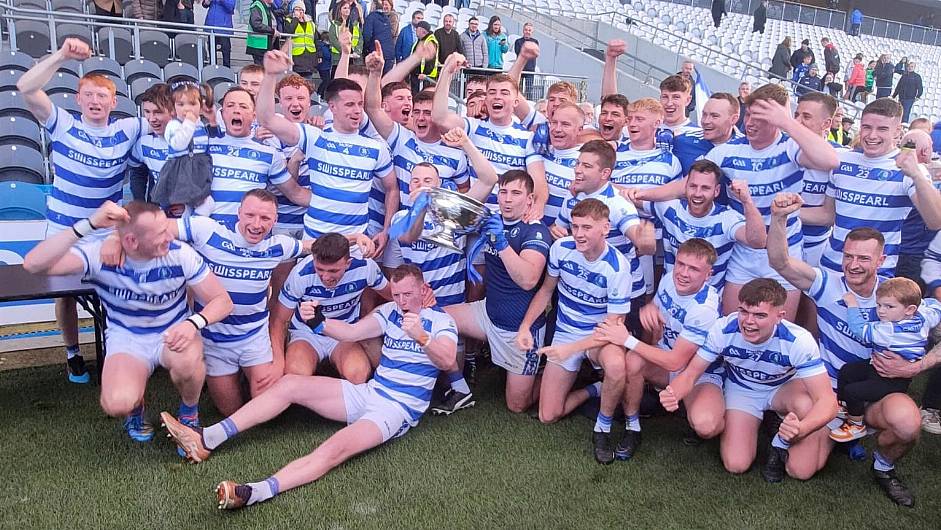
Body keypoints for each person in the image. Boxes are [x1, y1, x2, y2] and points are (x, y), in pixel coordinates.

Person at [162, 264, 458, 510]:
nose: (402, 300)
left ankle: (256, 491)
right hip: (371, 392)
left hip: (397, 410)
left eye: (408, 293)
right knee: (290, 383)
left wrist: (422, 337)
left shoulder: (441, 321)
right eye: (396, 294)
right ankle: (206, 439)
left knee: (334, 449)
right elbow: (352, 331)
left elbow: (445, 360)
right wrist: (318, 321)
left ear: (422, 289)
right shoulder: (390, 312)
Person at [768, 196, 937, 507]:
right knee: (799, 469)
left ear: (882, 260)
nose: (853, 265)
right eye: (848, 257)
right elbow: (781, 262)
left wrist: (918, 365)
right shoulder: (828, 285)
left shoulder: (898, 294)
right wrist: (778, 219)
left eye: (863, 258)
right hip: (831, 395)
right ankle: (840, 432)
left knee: (908, 423)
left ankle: (883, 467)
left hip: (879, 394)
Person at [23, 201, 233, 442]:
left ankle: (189, 414)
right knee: (116, 403)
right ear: (132, 241)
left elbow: (222, 301)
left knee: (189, 362)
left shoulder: (180, 253)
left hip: (173, 331)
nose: (170, 236)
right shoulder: (99, 253)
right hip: (127, 337)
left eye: (168, 228)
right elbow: (33, 265)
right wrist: (89, 225)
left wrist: (193, 323)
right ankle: (135, 406)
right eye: (161, 233)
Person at [17, 39, 148, 384]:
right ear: (78, 99)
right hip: (63, 228)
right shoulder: (63, 123)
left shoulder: (128, 129)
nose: (95, 101)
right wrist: (60, 55)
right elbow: (25, 87)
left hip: (107, 231)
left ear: (113, 102)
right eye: (88, 95)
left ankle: (120, 352)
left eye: (102, 96)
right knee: (66, 295)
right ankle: (73, 353)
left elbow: (166, 121)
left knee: (113, 290)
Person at [660, 278, 837, 483]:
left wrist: (802, 429)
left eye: (760, 315)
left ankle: (828, 433)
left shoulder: (799, 340)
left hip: (783, 389)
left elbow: (828, 401)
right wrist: (674, 393)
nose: (748, 321)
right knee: (736, 464)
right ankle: (773, 423)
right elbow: (691, 374)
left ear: (780, 316)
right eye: (744, 312)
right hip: (742, 389)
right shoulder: (724, 328)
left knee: (800, 470)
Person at [704, 83, 838, 320]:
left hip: (786, 253)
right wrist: (639, 194)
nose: (750, 123)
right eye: (749, 116)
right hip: (743, 253)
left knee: (779, 327)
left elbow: (829, 161)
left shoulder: (788, 146)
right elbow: (692, 181)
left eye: (761, 118)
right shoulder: (728, 150)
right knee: (732, 325)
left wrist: (787, 122)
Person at [516, 198, 631, 464]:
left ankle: (602, 428)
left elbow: (613, 328)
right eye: (575, 226)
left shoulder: (618, 266)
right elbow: (546, 290)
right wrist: (525, 327)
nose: (578, 234)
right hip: (566, 331)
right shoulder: (560, 248)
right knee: (548, 415)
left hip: (600, 336)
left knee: (616, 365)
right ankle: (597, 389)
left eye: (587, 227)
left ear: (605, 228)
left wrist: (570, 349)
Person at [391, 130, 496, 415]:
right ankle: (448, 386)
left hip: (449, 301)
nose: (421, 185)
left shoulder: (455, 212)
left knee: (449, 358)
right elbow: (409, 237)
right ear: (407, 187)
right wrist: (421, 207)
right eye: (415, 181)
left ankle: (459, 385)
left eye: (428, 181)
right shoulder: (401, 216)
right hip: (414, 303)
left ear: (441, 186)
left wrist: (466, 143)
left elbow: (489, 179)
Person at [257, 50, 398, 254]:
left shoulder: (376, 148)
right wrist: (270, 75)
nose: (357, 110)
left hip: (356, 245)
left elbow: (392, 189)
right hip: (315, 240)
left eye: (359, 104)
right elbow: (267, 119)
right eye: (349, 104)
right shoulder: (315, 138)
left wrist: (386, 230)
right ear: (332, 107)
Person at [596, 239, 725, 457]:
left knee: (705, 426)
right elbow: (654, 317)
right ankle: (632, 427)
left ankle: (728, 415)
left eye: (693, 269)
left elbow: (676, 361)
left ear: (708, 274)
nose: (683, 273)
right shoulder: (668, 279)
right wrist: (649, 310)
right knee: (633, 361)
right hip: (668, 357)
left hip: (700, 374)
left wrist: (627, 339)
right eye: (681, 264)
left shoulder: (704, 308)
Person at [444, 171, 551, 414]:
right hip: (487, 316)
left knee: (517, 406)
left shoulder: (535, 231)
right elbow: (452, 217)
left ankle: (555, 374)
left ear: (530, 199)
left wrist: (501, 243)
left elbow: (528, 280)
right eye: (503, 192)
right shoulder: (492, 219)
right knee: (436, 318)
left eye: (516, 193)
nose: (507, 199)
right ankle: (458, 384)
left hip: (520, 328)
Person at [802, 99, 941, 277]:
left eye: (882, 129)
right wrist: (778, 212)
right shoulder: (842, 161)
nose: (872, 135)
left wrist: (916, 174)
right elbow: (828, 215)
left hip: (875, 277)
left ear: (897, 131)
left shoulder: (908, 168)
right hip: (830, 269)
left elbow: (935, 221)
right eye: (866, 127)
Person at [433, 53, 548, 220]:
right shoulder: (474, 126)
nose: (497, 96)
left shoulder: (527, 138)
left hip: (509, 220)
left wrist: (538, 206)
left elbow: (538, 181)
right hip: (474, 217)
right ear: (485, 99)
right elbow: (439, 118)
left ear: (516, 102)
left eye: (504, 93)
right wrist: (447, 72)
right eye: (492, 92)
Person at [831, 278, 941, 441]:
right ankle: (848, 407)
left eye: (889, 306)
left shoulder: (888, 330)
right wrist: (922, 303)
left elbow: (859, 329)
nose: (881, 311)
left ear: (909, 309)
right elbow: (936, 308)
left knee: (852, 391)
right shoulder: (923, 317)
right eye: (879, 305)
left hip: (891, 380)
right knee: (848, 370)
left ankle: (856, 424)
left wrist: (852, 304)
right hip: (879, 368)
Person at [553, 140, 653, 319]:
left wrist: (646, 242)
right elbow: (558, 228)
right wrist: (556, 233)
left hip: (623, 293)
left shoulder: (617, 203)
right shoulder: (573, 193)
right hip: (584, 287)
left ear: (605, 173)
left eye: (586, 166)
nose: (578, 170)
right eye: (577, 163)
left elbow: (641, 241)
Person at [634, 160, 766, 291]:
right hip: (667, 296)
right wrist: (612, 184)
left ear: (716, 191)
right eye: (693, 186)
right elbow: (632, 197)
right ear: (685, 187)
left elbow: (758, 241)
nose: (697, 193)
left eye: (705, 188)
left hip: (705, 303)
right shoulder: (670, 209)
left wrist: (747, 201)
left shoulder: (727, 219)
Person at [273, 233, 387, 383]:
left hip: (344, 331)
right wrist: (277, 361)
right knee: (295, 375)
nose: (325, 277)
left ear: (348, 263)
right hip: (306, 333)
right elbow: (279, 321)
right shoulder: (301, 274)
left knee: (358, 374)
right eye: (320, 269)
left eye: (333, 271)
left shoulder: (365, 267)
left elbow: (392, 295)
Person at [206, 87, 311, 228]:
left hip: (251, 235)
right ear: (222, 113)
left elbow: (295, 193)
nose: (236, 110)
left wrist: (340, 202)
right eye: (230, 106)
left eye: (243, 106)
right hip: (209, 238)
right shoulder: (205, 146)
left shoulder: (269, 154)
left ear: (254, 115)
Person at [153, 81, 217, 218]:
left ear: (201, 107)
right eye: (181, 104)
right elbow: (179, 144)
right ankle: (189, 227)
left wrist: (212, 121)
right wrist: (189, 122)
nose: (186, 108)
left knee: (206, 203)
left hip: (199, 170)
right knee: (187, 208)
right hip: (180, 171)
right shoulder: (173, 125)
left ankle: (193, 225)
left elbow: (214, 139)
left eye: (192, 104)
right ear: (173, 107)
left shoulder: (200, 125)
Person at [673, 92, 744, 175]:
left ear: (734, 119)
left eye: (714, 116)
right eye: (704, 114)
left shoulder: (746, 147)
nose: (706, 121)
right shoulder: (683, 141)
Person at [129, 84, 174, 202]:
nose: (151, 118)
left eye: (157, 112)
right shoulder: (144, 143)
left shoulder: (196, 140)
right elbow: (137, 171)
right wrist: (140, 204)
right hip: (158, 216)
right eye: (147, 112)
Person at [284, 0, 319, 79]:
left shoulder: (311, 23)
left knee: (308, 83)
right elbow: (289, 31)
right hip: (296, 58)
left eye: (301, 10)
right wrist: (295, 19)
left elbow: (316, 40)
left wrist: (319, 54)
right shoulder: (289, 20)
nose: (299, 12)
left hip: (309, 58)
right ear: (293, 11)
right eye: (296, 9)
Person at [329, 0, 363, 73]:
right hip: (338, 59)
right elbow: (333, 40)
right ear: (340, 10)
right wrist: (345, 52)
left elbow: (360, 39)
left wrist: (357, 51)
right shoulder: (334, 25)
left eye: (348, 8)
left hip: (354, 59)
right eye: (345, 8)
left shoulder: (355, 24)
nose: (347, 10)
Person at [362, 0, 396, 74]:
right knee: (386, 82)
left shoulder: (371, 17)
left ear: (373, 6)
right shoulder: (386, 18)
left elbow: (367, 35)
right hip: (389, 55)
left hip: (377, 53)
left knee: (375, 79)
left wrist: (365, 49)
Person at [203, 0, 237, 67]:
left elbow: (230, 7)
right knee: (211, 46)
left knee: (225, 47)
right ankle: (212, 65)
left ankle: (226, 67)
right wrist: (206, 2)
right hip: (211, 23)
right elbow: (205, 5)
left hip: (224, 25)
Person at [247, 0, 280, 65]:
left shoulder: (270, 6)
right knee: (261, 71)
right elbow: (256, 24)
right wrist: (272, 30)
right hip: (259, 46)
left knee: (266, 70)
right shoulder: (257, 6)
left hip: (266, 45)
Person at [410, 21, 438, 92]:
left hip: (424, 77)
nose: (415, 31)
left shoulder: (430, 41)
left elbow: (430, 60)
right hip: (417, 75)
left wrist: (425, 74)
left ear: (422, 30)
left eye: (417, 29)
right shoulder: (421, 40)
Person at [514, 22, 539, 97]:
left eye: (529, 30)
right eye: (526, 30)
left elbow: (535, 54)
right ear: (523, 30)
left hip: (530, 69)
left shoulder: (535, 42)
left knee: (529, 90)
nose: (527, 32)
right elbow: (519, 53)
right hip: (520, 68)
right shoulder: (518, 41)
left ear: (532, 32)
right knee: (518, 90)